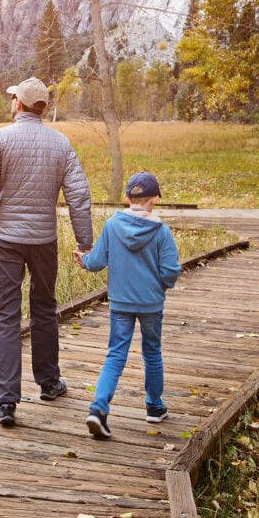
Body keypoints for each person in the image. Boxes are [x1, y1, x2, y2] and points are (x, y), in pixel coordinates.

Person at [0, 77, 93, 426]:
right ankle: (49, 382)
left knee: (5, 316)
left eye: (13, 98)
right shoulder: (60, 143)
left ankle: (6, 402)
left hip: (6, 240)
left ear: (18, 105)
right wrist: (84, 242)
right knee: (44, 308)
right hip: (44, 240)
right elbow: (79, 195)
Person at [75, 171, 181, 439]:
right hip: (151, 304)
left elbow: (97, 261)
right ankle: (154, 407)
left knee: (115, 354)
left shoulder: (112, 226)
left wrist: (83, 260)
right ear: (154, 199)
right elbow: (170, 272)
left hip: (120, 303)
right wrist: (159, 285)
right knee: (152, 353)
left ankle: (98, 409)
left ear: (126, 198)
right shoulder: (161, 231)